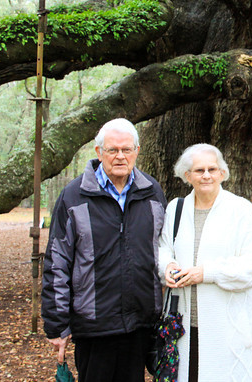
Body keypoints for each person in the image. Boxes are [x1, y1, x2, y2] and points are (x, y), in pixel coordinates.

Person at [41, 118, 168, 382]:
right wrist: (57, 324)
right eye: (112, 150)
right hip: (94, 325)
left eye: (126, 149)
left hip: (140, 323)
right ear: (99, 152)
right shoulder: (74, 196)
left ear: (137, 151)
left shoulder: (152, 192)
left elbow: (164, 250)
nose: (120, 156)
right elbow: (57, 263)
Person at [158, 143, 252, 382]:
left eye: (212, 169)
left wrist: (207, 273)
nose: (206, 175)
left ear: (222, 173)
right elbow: (163, 248)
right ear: (187, 176)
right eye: (199, 170)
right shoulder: (175, 209)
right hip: (183, 326)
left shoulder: (241, 210)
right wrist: (166, 266)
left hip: (227, 328)